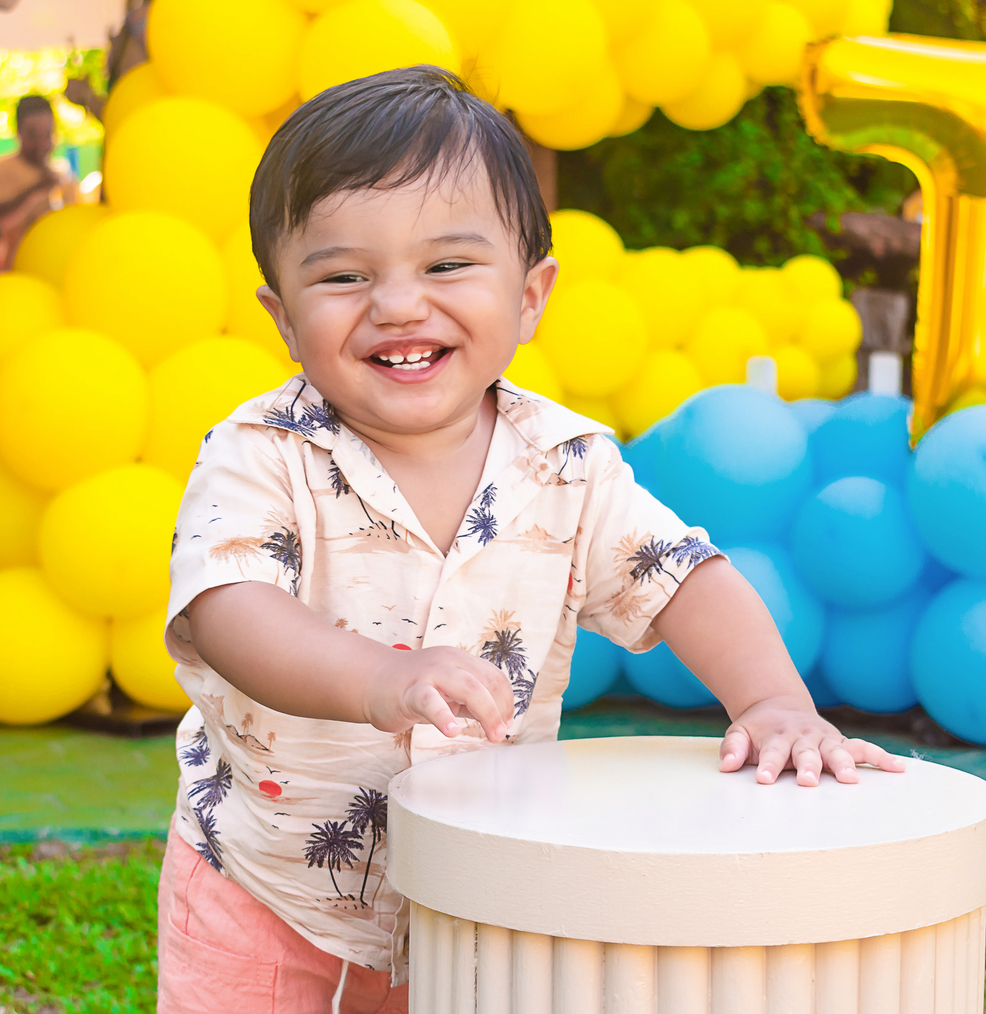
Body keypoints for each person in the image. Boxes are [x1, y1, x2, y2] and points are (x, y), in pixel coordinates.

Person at [157, 66, 905, 1014]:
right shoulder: (260, 456)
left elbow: (682, 578)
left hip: (476, 894)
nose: (397, 305)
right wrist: (375, 678)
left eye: (447, 266)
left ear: (531, 294)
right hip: (263, 893)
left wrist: (773, 700)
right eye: (344, 276)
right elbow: (231, 610)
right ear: (284, 318)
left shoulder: (567, 465)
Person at [0, 94, 79, 270]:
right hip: (13, 279)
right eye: (32, 134)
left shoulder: (63, 175)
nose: (42, 142)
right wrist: (34, 192)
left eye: (48, 133)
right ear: (18, 131)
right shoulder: (3, 170)